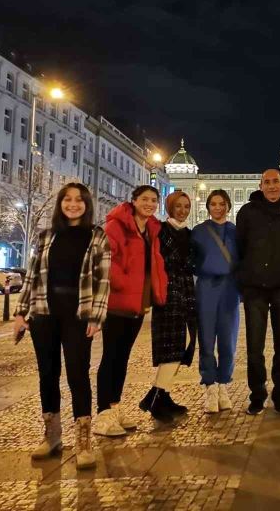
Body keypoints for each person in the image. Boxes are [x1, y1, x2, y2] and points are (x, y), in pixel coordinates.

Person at [13, 182, 110, 469]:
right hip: (44, 313)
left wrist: (97, 317)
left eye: (79, 200)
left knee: (78, 375)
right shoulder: (46, 236)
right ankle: (52, 434)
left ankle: (83, 442)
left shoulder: (97, 236)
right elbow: (31, 277)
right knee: (47, 374)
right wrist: (20, 313)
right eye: (67, 199)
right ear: (60, 204)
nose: (73, 204)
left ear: (87, 204)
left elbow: (103, 281)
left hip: (78, 315)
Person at [95, 186, 168, 436]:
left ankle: (114, 408)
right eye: (144, 199)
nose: (149, 204)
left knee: (122, 359)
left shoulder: (150, 230)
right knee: (110, 358)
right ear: (134, 201)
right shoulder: (116, 226)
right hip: (117, 302)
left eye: (153, 200)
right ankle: (103, 414)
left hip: (137, 303)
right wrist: (125, 284)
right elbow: (105, 259)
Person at [236, 169, 280, 415]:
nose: (272, 186)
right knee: (254, 347)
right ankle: (257, 395)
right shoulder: (247, 212)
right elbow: (239, 247)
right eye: (268, 182)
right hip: (255, 288)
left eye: (276, 182)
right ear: (260, 185)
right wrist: (243, 278)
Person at [139, 191, 197, 422]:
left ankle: (162, 396)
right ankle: (154, 399)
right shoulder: (160, 232)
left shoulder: (189, 234)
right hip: (167, 293)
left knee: (180, 346)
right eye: (178, 206)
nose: (182, 210)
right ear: (170, 207)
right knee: (171, 348)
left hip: (186, 292)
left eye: (186, 206)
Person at [192, 189, 240, 414]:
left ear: (228, 206)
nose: (218, 207)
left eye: (222, 203)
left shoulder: (236, 232)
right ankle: (210, 386)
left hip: (230, 289)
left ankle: (223, 385)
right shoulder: (199, 232)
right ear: (208, 206)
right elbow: (190, 260)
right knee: (207, 339)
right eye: (214, 204)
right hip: (207, 288)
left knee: (229, 341)